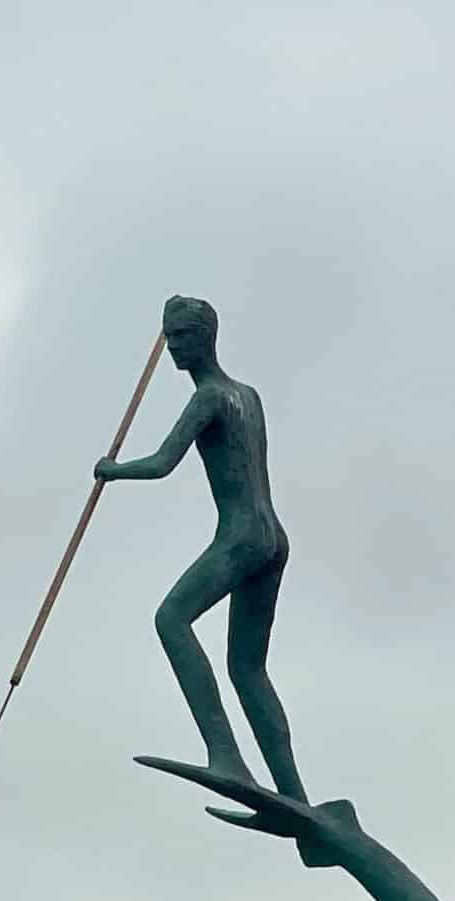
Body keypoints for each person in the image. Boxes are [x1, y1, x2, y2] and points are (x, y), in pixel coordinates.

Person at [95, 295, 305, 799]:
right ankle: (296, 799)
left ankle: (227, 756)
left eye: (182, 337)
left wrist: (112, 470)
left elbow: (164, 462)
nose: (173, 348)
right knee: (248, 669)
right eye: (169, 337)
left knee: (170, 619)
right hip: (272, 537)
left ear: (206, 337)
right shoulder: (248, 395)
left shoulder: (210, 397)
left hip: (242, 538)